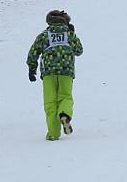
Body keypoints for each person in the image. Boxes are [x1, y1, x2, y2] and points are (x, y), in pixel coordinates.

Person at [27, 10, 84, 141]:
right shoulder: (69, 35)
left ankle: (53, 133)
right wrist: (72, 34)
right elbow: (79, 51)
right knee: (65, 97)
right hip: (66, 72)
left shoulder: (44, 35)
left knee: (50, 103)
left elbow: (33, 52)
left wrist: (32, 68)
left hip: (48, 73)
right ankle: (64, 114)